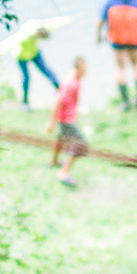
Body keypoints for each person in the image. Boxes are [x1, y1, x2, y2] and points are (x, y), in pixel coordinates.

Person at [50, 57, 91, 186]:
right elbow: (58, 102)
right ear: (79, 68)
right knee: (81, 145)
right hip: (67, 119)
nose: (87, 71)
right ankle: (64, 172)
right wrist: (51, 122)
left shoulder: (75, 77)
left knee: (61, 139)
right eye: (85, 69)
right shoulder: (71, 83)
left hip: (66, 117)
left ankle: (54, 161)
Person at [15, 17, 65, 107]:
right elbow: (8, 43)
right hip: (21, 56)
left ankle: (62, 93)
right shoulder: (24, 37)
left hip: (34, 53)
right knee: (26, 78)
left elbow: (53, 23)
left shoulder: (42, 27)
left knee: (47, 71)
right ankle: (25, 102)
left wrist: (66, 21)